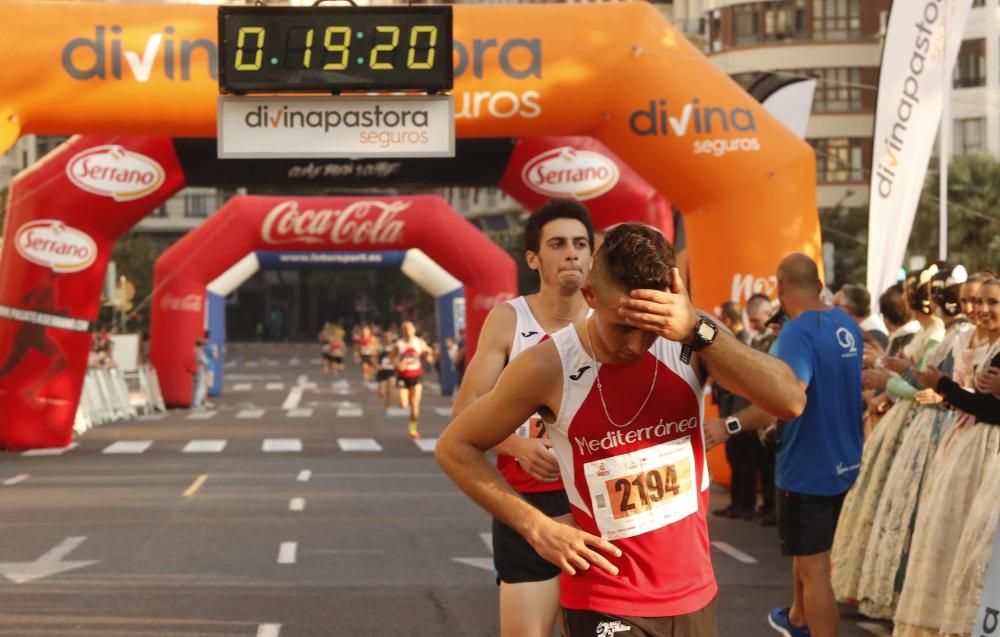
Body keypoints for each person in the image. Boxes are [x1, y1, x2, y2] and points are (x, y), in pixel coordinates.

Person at [437, 223, 805, 637]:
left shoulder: (690, 338)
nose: (635, 343)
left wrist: (697, 330)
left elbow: (789, 401)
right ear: (590, 296)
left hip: (693, 593)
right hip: (604, 597)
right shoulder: (548, 365)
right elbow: (456, 446)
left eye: (650, 326)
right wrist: (536, 526)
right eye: (622, 326)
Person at [451, 198, 595, 637]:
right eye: (557, 244)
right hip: (528, 502)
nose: (571, 252)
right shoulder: (509, 318)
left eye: (580, 244)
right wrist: (514, 444)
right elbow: (464, 411)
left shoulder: (610, 319)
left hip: (597, 504)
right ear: (533, 258)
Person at [703, 254, 863, 637]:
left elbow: (787, 399)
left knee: (815, 568)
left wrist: (731, 424)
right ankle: (796, 619)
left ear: (780, 288)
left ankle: (810, 626)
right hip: (846, 461)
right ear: (821, 285)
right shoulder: (847, 324)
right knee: (808, 555)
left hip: (807, 466)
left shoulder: (797, 333)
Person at [711, 301, 756, 521]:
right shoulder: (734, 340)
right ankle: (737, 503)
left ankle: (745, 505)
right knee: (735, 459)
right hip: (729, 408)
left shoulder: (745, 342)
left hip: (741, 410)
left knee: (745, 461)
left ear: (728, 320)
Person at [393, 320, 433, 439]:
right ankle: (408, 401)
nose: (407, 331)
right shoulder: (399, 344)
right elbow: (392, 358)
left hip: (416, 376)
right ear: (402, 331)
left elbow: (428, 355)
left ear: (414, 330)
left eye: (410, 328)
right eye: (405, 329)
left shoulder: (419, 342)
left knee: (415, 409)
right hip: (403, 376)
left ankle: (413, 429)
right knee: (403, 404)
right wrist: (398, 364)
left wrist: (429, 354)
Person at [834, 284, 889, 350]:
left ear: (849, 308)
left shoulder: (873, 336)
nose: (831, 310)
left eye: (836, 306)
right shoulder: (866, 331)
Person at [376, 331, 397, 414]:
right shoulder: (380, 347)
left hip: (391, 370)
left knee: (389, 391)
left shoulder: (395, 347)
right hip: (382, 370)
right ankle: (381, 392)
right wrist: (377, 365)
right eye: (385, 337)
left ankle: (387, 407)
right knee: (381, 393)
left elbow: (398, 357)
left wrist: (395, 363)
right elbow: (374, 357)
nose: (387, 339)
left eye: (389, 337)